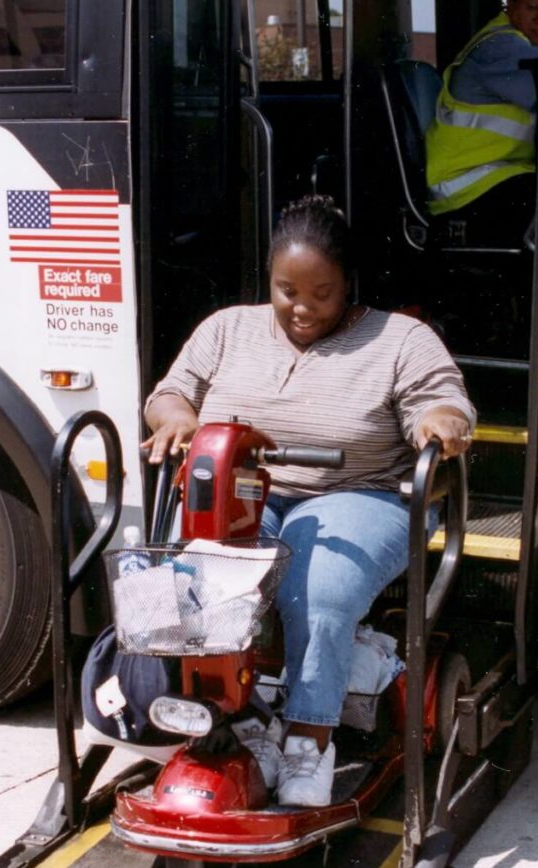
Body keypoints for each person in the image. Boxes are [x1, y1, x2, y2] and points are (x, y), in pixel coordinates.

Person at [143, 194, 475, 807]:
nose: (302, 308)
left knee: (314, 587)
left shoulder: (399, 338)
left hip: (363, 492)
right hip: (251, 488)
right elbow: (170, 394)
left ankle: (309, 741)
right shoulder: (227, 329)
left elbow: (444, 399)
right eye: (287, 290)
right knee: (201, 579)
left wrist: (442, 420)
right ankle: (242, 723)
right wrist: (177, 420)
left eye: (321, 294)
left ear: (348, 283)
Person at [425, 0, 538, 246]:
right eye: (532, 8)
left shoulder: (517, 43)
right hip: (464, 188)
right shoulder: (501, 47)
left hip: (493, 175)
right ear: (510, 8)